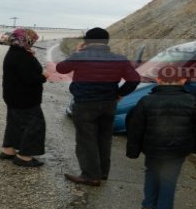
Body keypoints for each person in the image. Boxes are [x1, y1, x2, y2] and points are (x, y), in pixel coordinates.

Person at [56, 27, 140, 186]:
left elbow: (61, 68)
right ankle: (102, 172)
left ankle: (90, 176)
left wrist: (76, 52)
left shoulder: (80, 56)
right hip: (109, 104)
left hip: (85, 104)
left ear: (87, 41)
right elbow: (134, 79)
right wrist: (119, 94)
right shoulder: (119, 58)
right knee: (104, 138)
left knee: (86, 140)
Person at [125, 65, 196, 209]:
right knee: (169, 181)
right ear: (183, 80)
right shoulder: (192, 102)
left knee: (152, 174)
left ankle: (148, 205)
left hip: (152, 149)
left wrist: (133, 151)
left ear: (158, 80)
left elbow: (136, 128)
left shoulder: (146, 101)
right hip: (177, 151)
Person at [0, 28, 48, 167]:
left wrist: (31, 55)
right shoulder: (21, 56)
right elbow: (30, 78)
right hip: (25, 97)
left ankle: (8, 150)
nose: (32, 43)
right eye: (32, 40)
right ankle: (24, 156)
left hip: (13, 95)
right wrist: (43, 76)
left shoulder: (16, 52)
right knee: (35, 125)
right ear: (25, 40)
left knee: (14, 122)